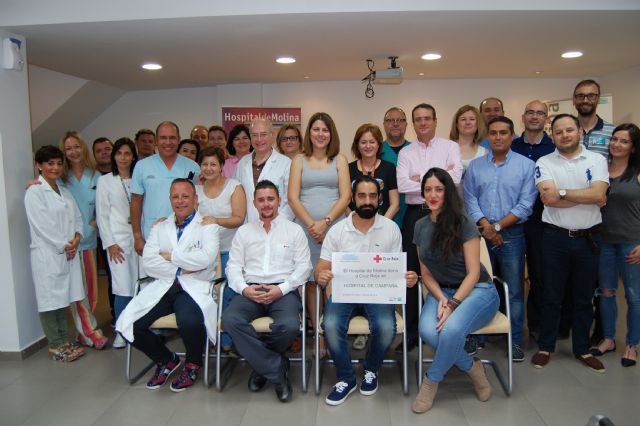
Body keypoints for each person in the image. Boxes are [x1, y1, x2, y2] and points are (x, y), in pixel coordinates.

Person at [315, 175, 418, 405]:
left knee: (386, 327)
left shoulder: (391, 228)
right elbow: (321, 267)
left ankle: (371, 368)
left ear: (380, 198)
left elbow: (395, 269)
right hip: (344, 294)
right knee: (330, 325)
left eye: (372, 196)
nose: (367, 201)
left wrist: (407, 277)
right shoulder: (337, 230)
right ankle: (346, 377)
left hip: (378, 294)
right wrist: (320, 274)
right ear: (353, 198)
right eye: (362, 196)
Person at [116, 179, 219, 392]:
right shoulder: (160, 226)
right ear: (170, 199)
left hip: (193, 287)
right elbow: (149, 262)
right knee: (130, 323)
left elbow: (206, 258)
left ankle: (192, 364)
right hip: (164, 286)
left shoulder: (208, 225)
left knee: (189, 321)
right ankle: (166, 359)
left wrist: (170, 256)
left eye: (185, 196)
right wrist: (182, 267)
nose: (180, 201)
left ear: (195, 199)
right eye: (175, 197)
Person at [411, 167, 498, 414]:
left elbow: (473, 273)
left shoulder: (464, 223)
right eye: (428, 189)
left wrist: (452, 304)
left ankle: (431, 381)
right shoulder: (420, 226)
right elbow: (426, 273)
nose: (433, 195)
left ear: (448, 192)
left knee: (450, 330)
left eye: (439, 189)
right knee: (428, 331)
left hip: (478, 290)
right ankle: (473, 367)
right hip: (443, 291)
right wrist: (441, 298)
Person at [532, 114, 609, 372]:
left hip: (588, 239)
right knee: (551, 295)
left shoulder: (596, 160)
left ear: (579, 132)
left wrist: (563, 192)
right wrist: (587, 196)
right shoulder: (544, 162)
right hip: (555, 238)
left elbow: (599, 194)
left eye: (569, 130)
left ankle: (582, 349)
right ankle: (546, 346)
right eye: (558, 132)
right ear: (552, 136)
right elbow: (548, 199)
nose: (564, 135)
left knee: (584, 298)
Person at [222, 180, 312, 402]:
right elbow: (232, 267)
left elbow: (304, 267)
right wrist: (244, 289)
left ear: (279, 201)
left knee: (290, 326)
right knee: (230, 320)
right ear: (254, 203)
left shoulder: (294, 231)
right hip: (250, 289)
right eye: (261, 200)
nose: (266, 204)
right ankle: (276, 369)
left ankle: (261, 367)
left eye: (270, 199)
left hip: (283, 291)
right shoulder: (244, 232)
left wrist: (281, 289)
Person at [463, 116, 537, 362]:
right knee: (479, 287)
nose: (498, 137)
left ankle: (514, 340)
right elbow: (470, 199)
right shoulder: (476, 166)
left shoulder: (526, 166)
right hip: (479, 234)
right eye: (493, 133)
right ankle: (477, 337)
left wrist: (496, 227)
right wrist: (486, 226)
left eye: (503, 133)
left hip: (512, 235)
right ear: (488, 136)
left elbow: (525, 204)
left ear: (512, 135)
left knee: (513, 290)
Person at [396, 103, 463, 351]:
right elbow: (403, 185)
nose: (423, 123)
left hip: (445, 215)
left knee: (446, 268)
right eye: (418, 119)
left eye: (427, 118)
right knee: (411, 273)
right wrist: (439, 179)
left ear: (435, 121)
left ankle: (449, 324)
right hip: (415, 215)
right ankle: (412, 332)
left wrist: (420, 179)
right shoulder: (406, 152)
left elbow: (455, 179)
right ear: (413, 123)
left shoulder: (450, 146)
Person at [288, 112, 351, 358]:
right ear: (309, 133)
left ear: (331, 133)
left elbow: (346, 196)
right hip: (305, 230)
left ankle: (333, 333)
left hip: (335, 228)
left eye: (325, 130)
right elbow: (293, 197)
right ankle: (319, 337)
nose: (320, 134)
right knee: (313, 283)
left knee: (333, 279)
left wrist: (325, 223)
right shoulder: (299, 160)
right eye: (316, 129)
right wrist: (312, 226)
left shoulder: (340, 159)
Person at [25, 145, 86, 362]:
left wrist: (77, 237)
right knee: (49, 300)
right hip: (48, 255)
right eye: (50, 163)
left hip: (67, 252)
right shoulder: (34, 192)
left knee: (62, 299)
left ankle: (64, 341)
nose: (55, 168)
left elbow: (77, 218)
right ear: (39, 166)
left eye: (59, 163)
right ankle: (55, 345)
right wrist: (65, 245)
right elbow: (42, 225)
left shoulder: (64, 192)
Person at [592, 123, 640, 367]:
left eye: (624, 141)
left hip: (632, 242)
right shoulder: (601, 168)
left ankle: (632, 344)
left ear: (633, 147)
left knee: (633, 296)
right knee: (606, 292)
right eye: (615, 139)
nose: (617, 144)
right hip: (604, 241)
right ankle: (609, 339)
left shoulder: (637, 172)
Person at [59, 131, 108, 349]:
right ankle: (90, 332)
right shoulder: (60, 178)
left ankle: (83, 330)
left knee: (91, 290)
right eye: (68, 148)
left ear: (83, 148)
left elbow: (103, 206)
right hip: (71, 242)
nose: (73, 152)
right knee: (78, 290)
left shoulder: (96, 177)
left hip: (90, 239)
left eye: (76, 146)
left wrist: (94, 224)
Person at [511, 100, 555, 340]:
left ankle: (537, 326)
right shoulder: (512, 146)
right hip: (512, 220)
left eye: (540, 113)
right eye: (530, 112)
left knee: (540, 275)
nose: (535, 116)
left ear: (546, 118)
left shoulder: (553, 148)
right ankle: (506, 326)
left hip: (542, 220)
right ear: (523, 117)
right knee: (511, 276)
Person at [196, 146, 246, 352]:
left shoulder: (234, 186)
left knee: (227, 294)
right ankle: (208, 334)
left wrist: (215, 220)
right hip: (203, 253)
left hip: (230, 250)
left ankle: (226, 340)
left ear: (222, 166)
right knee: (205, 294)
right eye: (204, 164)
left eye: (213, 164)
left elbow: (239, 218)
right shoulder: (196, 190)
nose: (209, 168)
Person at [130, 121, 200, 257]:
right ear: (156, 141)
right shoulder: (142, 166)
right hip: (152, 235)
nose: (168, 142)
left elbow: (198, 201)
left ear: (179, 140)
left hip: (185, 236)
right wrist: (137, 236)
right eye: (163, 138)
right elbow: (136, 202)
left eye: (172, 138)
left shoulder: (193, 167)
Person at [96, 137, 139, 349]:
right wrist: (110, 243)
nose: (123, 157)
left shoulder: (138, 178)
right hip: (118, 242)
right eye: (119, 153)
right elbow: (102, 215)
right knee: (123, 287)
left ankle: (139, 328)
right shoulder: (105, 181)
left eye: (127, 153)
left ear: (133, 156)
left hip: (139, 239)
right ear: (114, 156)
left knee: (140, 285)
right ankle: (122, 331)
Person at [236, 117, 293, 222]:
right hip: (248, 227)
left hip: (278, 226)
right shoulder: (242, 164)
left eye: (263, 134)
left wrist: (277, 224)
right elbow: (237, 199)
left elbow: (291, 201)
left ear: (272, 135)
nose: (259, 139)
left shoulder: (286, 164)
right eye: (254, 135)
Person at [348, 123, 399, 220]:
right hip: (355, 224)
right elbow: (344, 202)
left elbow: (395, 204)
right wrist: (355, 222)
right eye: (363, 142)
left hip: (383, 223)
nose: (368, 146)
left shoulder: (389, 168)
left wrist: (382, 224)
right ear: (357, 145)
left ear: (379, 144)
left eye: (372, 142)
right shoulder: (348, 169)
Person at [381, 107, 411, 229]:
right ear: (384, 124)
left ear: (406, 124)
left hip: (410, 212)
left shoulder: (415, 150)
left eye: (400, 120)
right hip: (384, 213)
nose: (395, 124)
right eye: (390, 120)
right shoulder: (375, 151)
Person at [573, 79, 615, 158]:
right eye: (580, 96)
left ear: (598, 99)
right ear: (574, 100)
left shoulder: (613, 131)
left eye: (591, 96)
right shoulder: (566, 132)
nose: (585, 100)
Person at [449, 105, 487, 176]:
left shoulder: (485, 153)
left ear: (478, 124)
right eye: (463, 119)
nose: (467, 122)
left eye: (472, 119)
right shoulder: (446, 149)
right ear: (456, 124)